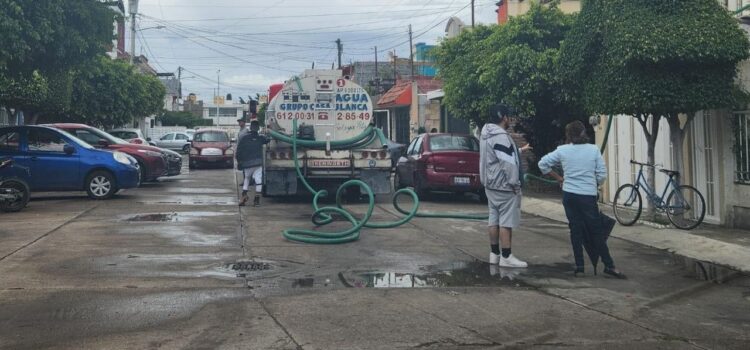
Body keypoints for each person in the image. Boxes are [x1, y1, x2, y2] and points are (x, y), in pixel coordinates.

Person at [538, 121, 625, 278]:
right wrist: (594, 184)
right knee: (596, 231)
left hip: (569, 195)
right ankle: (609, 265)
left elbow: (542, 164)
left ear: (568, 135)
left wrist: (559, 178)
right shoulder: (593, 150)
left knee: (575, 230)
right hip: (587, 196)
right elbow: (602, 175)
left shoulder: (563, 150)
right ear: (583, 133)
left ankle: (579, 267)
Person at [480, 105, 531, 268]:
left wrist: (519, 151)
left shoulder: (485, 133)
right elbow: (507, 163)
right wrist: (515, 183)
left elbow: (496, 156)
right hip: (504, 185)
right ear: (504, 118)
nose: (510, 120)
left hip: (489, 184)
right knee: (506, 222)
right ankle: (507, 256)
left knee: (493, 219)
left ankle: (494, 254)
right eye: (509, 117)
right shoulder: (501, 136)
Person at [236, 120, 269, 207]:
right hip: (258, 163)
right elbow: (267, 140)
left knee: (247, 178)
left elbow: (238, 151)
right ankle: (257, 200)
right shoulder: (260, 138)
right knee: (258, 181)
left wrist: (239, 161)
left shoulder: (244, 137)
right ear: (258, 128)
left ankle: (244, 196)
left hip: (247, 163)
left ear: (250, 127)